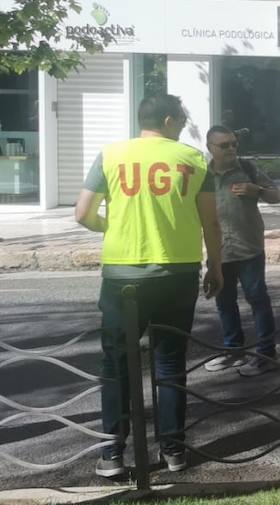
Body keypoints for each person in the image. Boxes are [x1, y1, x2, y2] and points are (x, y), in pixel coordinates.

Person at [74, 93, 223, 478]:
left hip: (122, 274)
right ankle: (173, 451)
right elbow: (211, 222)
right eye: (182, 119)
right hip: (178, 273)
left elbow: (82, 213)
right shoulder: (192, 159)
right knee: (170, 363)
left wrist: (110, 226)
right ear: (170, 120)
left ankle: (112, 453)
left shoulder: (111, 155)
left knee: (117, 364)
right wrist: (216, 267)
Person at [202, 125, 280, 377]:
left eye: (234, 144)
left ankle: (266, 354)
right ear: (210, 148)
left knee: (258, 300)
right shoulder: (202, 174)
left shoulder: (247, 169)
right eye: (224, 145)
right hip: (220, 250)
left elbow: (276, 196)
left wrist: (256, 190)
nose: (231, 149)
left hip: (249, 247)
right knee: (224, 302)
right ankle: (233, 351)